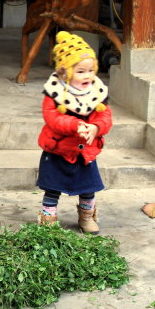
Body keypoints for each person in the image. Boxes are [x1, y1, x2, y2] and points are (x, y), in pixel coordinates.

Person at [36, 31, 113, 235]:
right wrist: (74, 125)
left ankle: (86, 217)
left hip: (85, 153)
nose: (87, 75)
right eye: (80, 71)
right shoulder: (55, 93)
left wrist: (96, 128)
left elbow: (106, 117)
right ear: (64, 72)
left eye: (90, 70)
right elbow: (52, 118)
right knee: (52, 188)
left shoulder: (96, 92)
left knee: (88, 188)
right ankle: (48, 219)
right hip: (59, 150)